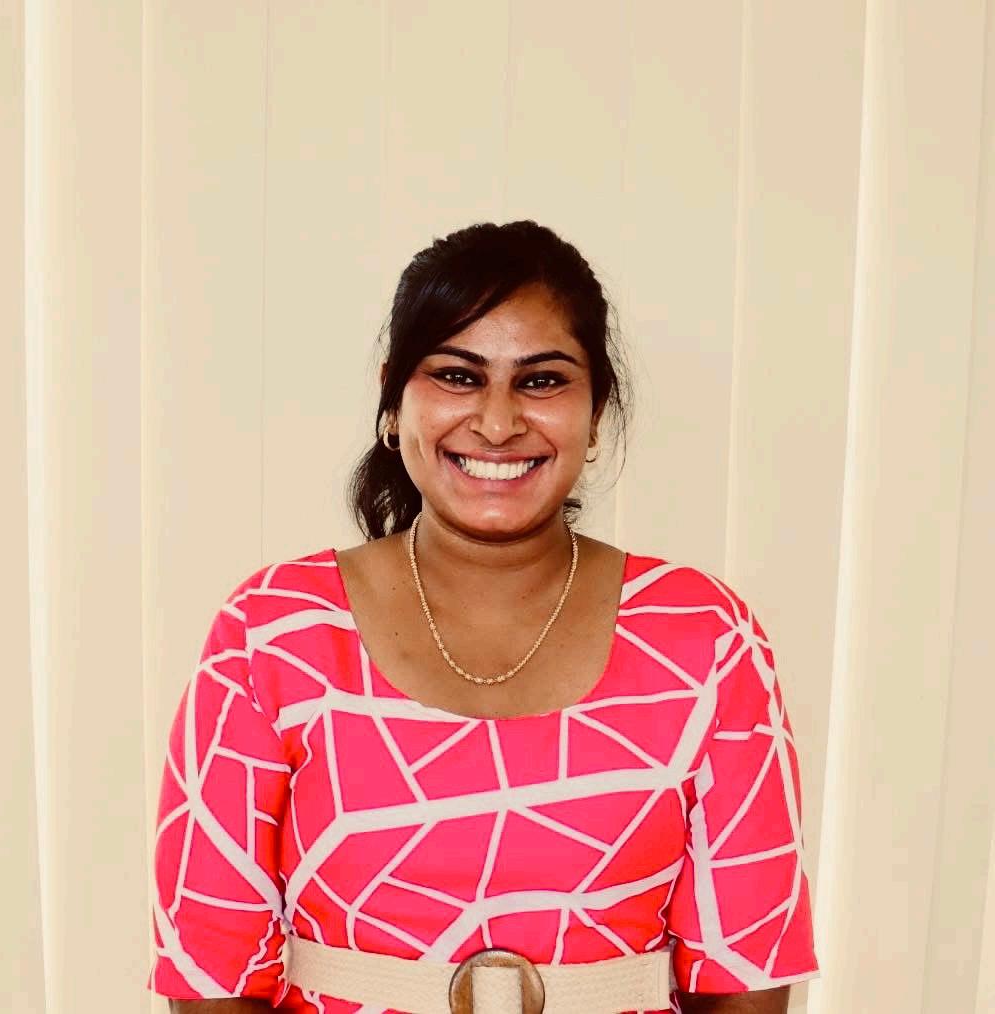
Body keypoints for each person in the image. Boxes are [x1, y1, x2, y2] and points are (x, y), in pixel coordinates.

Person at [148, 221, 819, 1014]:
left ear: (596, 411)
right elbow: (211, 970)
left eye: (542, 381)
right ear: (394, 400)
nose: (497, 423)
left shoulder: (704, 634)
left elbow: (746, 973)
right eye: (457, 376)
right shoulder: (273, 630)